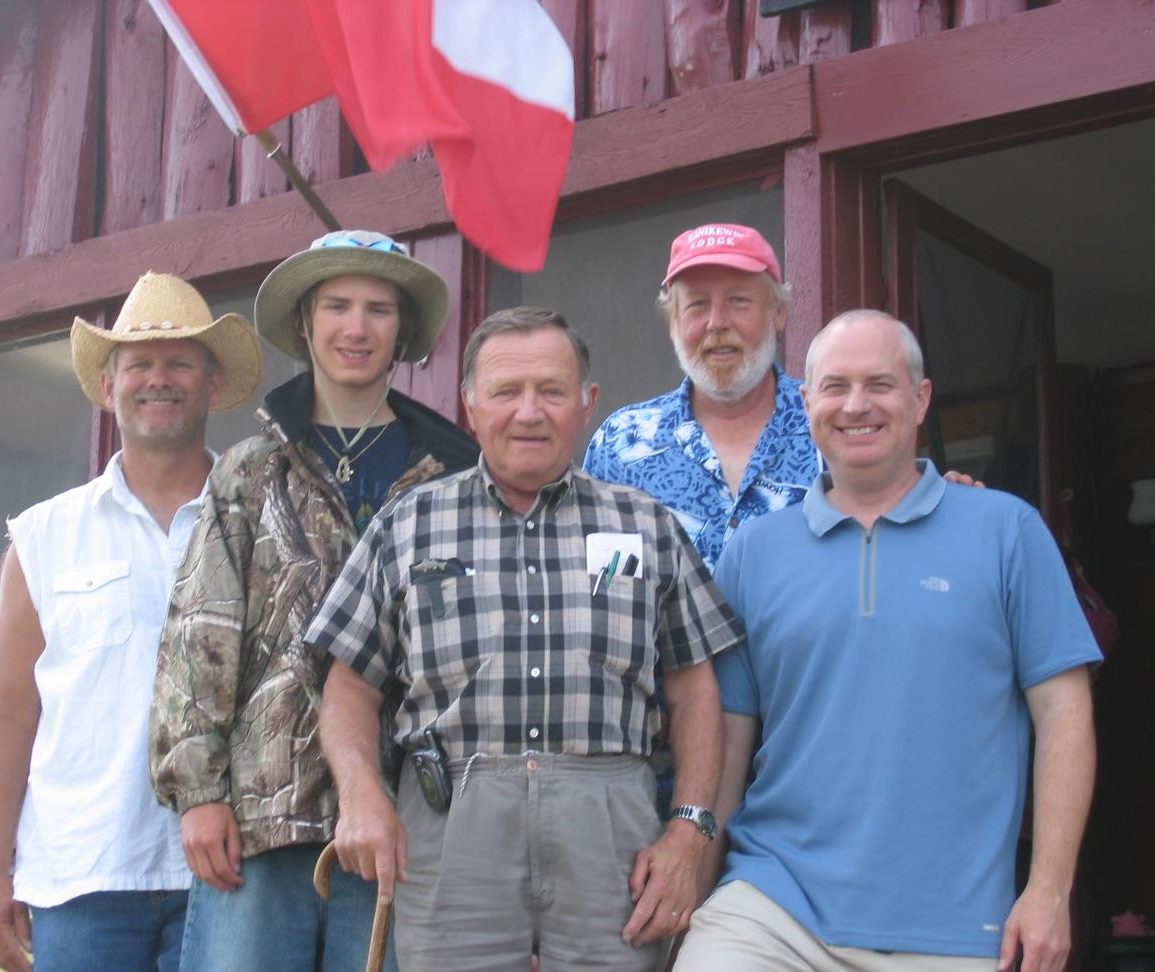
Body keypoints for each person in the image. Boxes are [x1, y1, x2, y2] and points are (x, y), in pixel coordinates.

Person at [305, 306, 743, 971]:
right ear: (472, 406)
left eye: (552, 391)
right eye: (507, 392)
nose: (529, 412)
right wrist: (362, 794)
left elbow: (693, 688)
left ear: (587, 403)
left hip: (612, 836)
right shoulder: (409, 525)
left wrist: (688, 833)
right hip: (451, 830)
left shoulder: (643, 526)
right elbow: (348, 684)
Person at [675, 310, 1100, 972]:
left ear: (920, 399)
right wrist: (694, 899)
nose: (856, 405)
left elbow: (1064, 713)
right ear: (807, 400)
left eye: (880, 384)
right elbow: (730, 737)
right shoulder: (754, 552)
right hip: (771, 909)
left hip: (956, 926)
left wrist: (1049, 891)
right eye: (835, 386)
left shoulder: (1006, 530)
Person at [148, 230, 478, 972]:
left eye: (378, 310)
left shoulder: (454, 473)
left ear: (404, 333)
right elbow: (200, 629)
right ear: (305, 323)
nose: (356, 328)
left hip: (412, 822)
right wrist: (198, 791)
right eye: (336, 306)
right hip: (263, 816)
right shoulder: (249, 470)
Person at [0, 273, 263, 972]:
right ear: (109, 387)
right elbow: (6, 710)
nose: (158, 379)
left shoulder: (263, 523)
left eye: (179, 362)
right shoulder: (44, 537)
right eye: (139, 364)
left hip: (235, 868)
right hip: (83, 878)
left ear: (213, 385)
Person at [583, 222, 819, 575]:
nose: (717, 323)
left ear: (778, 313)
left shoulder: (828, 425)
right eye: (697, 305)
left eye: (739, 301)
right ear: (672, 321)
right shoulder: (620, 444)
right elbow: (600, 590)